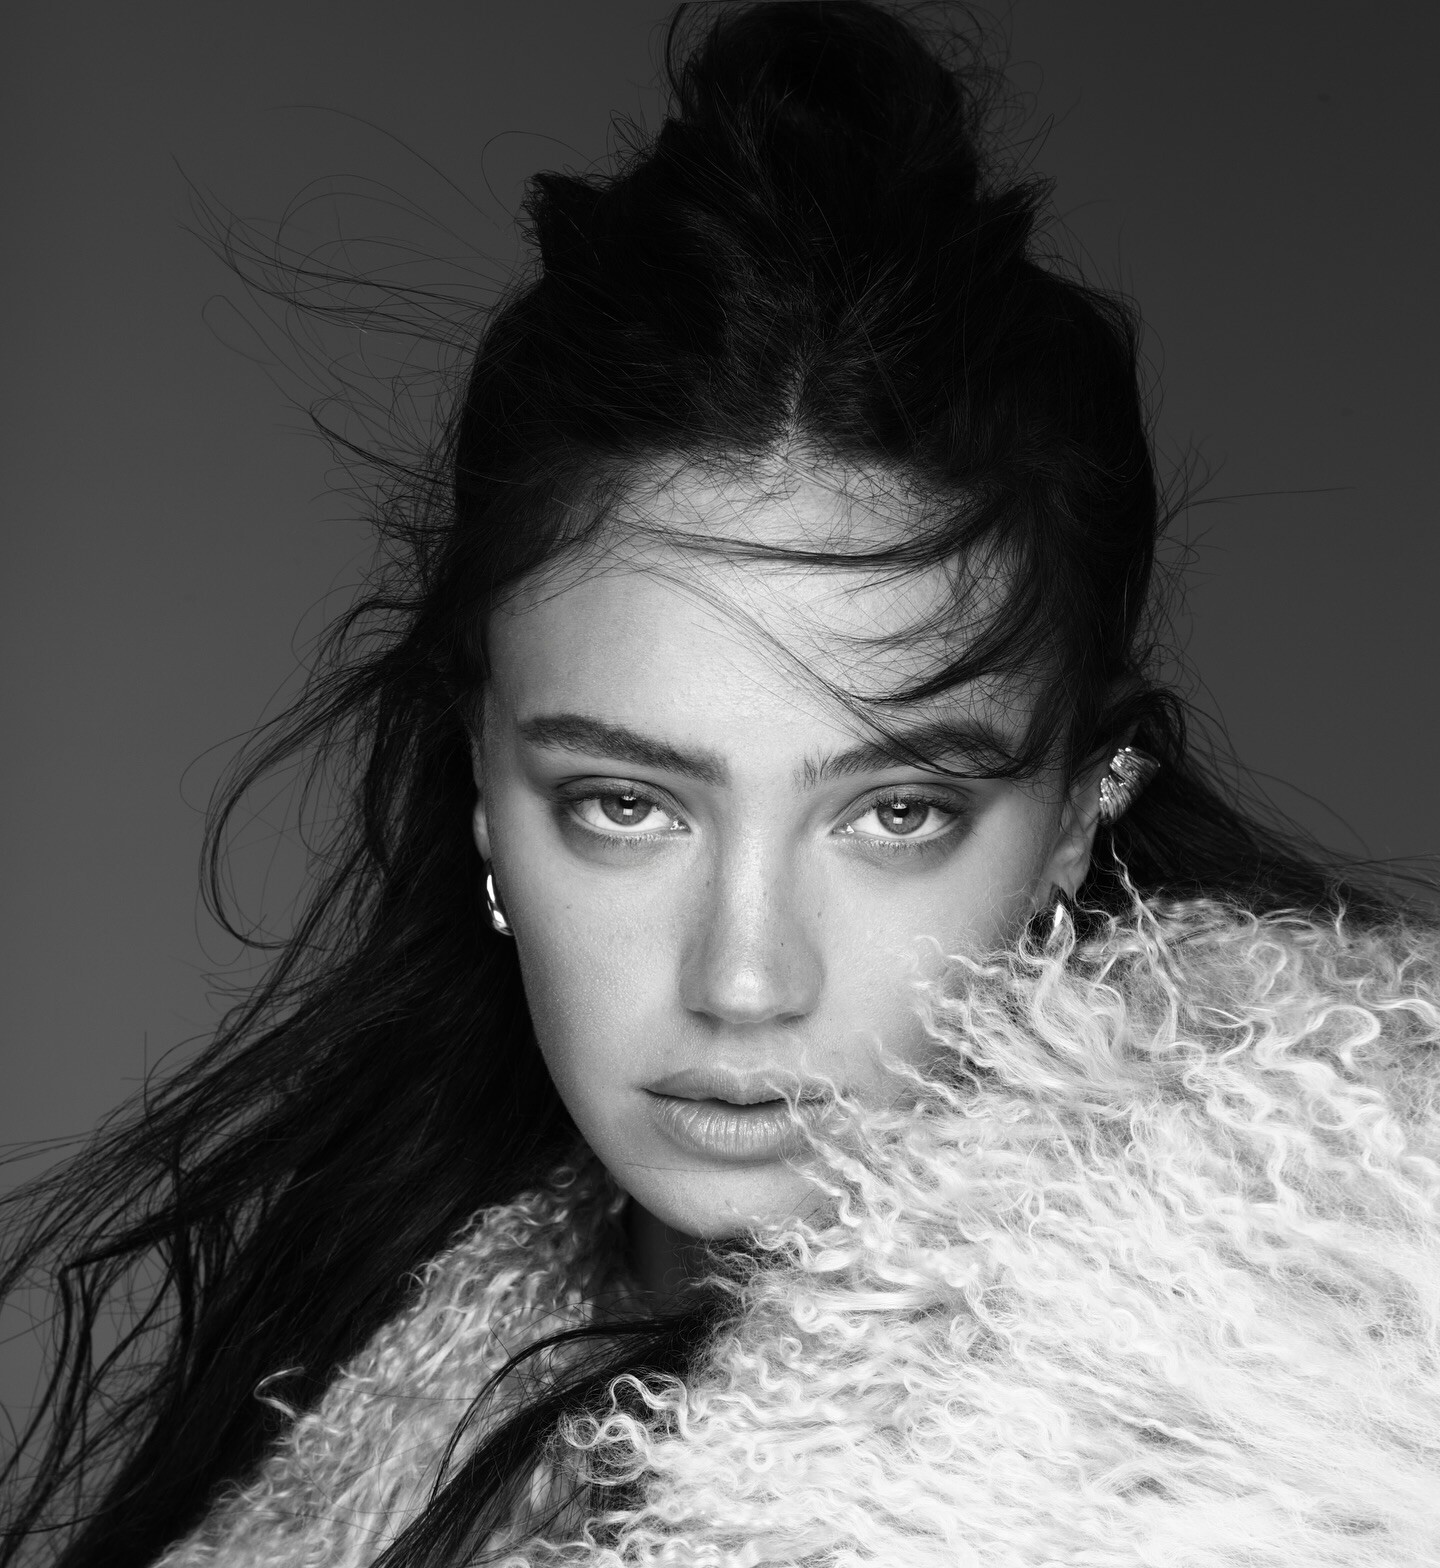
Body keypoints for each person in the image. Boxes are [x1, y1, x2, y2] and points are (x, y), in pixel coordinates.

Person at [4, 3, 1438, 1564]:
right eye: (627, 805)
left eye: (897, 813)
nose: (744, 980)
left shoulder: (1266, 1441)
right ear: (482, 787)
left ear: (1080, 816)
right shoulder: (368, 1375)